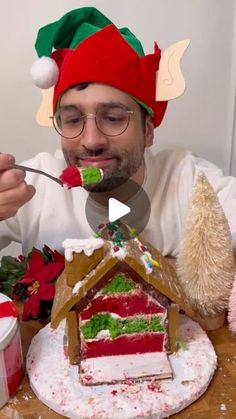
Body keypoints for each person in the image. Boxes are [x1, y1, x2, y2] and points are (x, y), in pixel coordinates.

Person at [1, 6, 236, 257]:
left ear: (147, 131)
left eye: (113, 118)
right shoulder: (33, 186)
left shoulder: (189, 184)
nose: (91, 141)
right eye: (72, 120)